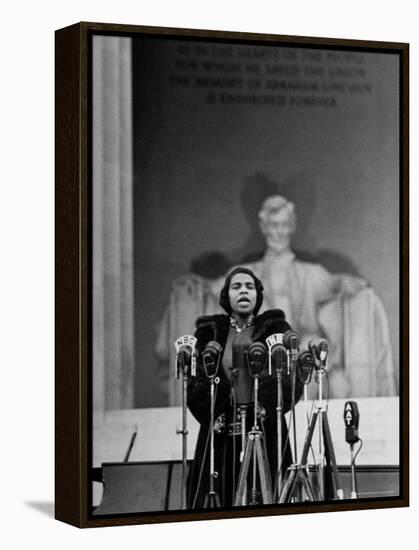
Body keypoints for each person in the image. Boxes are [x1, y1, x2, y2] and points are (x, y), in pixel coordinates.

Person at [186, 267, 303, 509]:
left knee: (268, 497)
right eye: (236, 286)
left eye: (249, 287)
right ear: (226, 295)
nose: (243, 292)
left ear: (257, 295)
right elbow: (195, 383)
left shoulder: (276, 329)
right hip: (220, 431)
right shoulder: (209, 332)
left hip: (265, 429)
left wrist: (265, 406)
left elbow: (290, 381)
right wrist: (216, 409)